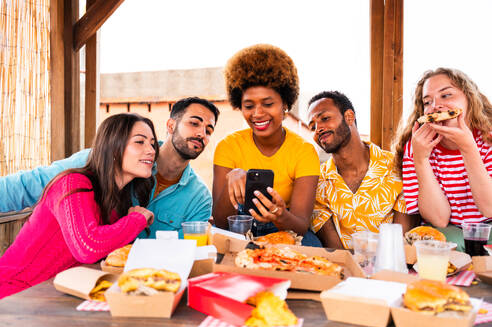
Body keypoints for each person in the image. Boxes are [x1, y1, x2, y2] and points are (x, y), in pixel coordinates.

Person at [0, 97, 219, 238]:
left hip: (150, 285)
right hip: (81, 277)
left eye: (209, 130)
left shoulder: (199, 198)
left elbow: (185, 250)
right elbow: (31, 184)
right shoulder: (104, 161)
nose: (202, 133)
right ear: (171, 125)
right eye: (195, 122)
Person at [0, 113, 157, 298]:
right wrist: (136, 219)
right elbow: (88, 248)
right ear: (113, 148)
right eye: (140, 142)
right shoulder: (73, 184)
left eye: (153, 144)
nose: (151, 150)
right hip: (14, 295)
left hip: (55, 297)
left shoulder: (116, 202)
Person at [212, 44, 321, 246]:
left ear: (285, 104)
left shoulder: (303, 151)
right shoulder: (228, 146)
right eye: (249, 106)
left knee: (312, 244)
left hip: (282, 230)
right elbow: (220, 222)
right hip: (239, 231)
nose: (258, 113)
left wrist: (279, 215)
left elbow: (300, 226)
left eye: (268, 104)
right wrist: (231, 180)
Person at [393, 68, 492, 250]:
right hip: (447, 231)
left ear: (470, 99)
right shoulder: (414, 147)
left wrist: (468, 148)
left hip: (489, 227)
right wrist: (421, 160)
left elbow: (489, 208)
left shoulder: (488, 141)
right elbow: (439, 219)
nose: (435, 106)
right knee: (445, 241)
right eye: (427, 101)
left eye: (446, 95)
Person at [307, 91, 416, 249]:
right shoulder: (318, 181)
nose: (318, 129)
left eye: (325, 118)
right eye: (312, 126)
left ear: (349, 117)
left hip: (391, 265)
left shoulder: (397, 167)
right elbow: (335, 251)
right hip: (344, 268)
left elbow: (400, 243)